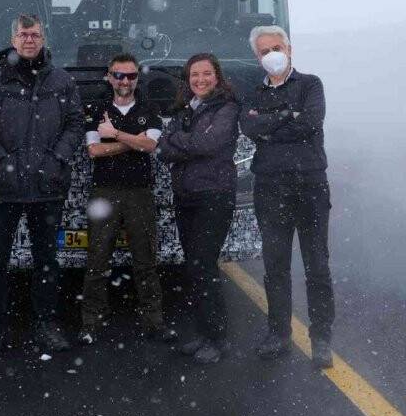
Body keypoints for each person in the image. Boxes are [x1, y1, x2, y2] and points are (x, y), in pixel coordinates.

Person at [0, 14, 85, 355]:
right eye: (23, 34)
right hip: (3, 188)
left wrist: (56, 160)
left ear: (43, 38)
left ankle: (47, 323)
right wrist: (2, 161)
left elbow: (76, 123)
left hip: (47, 186)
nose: (29, 40)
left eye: (35, 34)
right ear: (13, 38)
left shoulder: (62, 81)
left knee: (47, 259)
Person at [239, 25, 335, 369]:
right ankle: (278, 334)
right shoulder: (252, 93)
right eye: (264, 51)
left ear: (290, 49)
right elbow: (249, 128)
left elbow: (311, 122)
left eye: (276, 47)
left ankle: (321, 338)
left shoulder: (311, 84)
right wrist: (285, 116)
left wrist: (270, 124)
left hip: (310, 185)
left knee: (317, 265)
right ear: (257, 57)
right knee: (275, 266)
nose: (272, 55)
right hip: (270, 187)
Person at [79, 53, 176, 344]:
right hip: (104, 193)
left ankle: (154, 321)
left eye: (131, 76)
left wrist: (115, 134)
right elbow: (94, 151)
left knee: (145, 260)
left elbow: (150, 145)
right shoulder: (95, 109)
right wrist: (133, 141)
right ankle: (91, 323)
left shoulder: (150, 109)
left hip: (139, 193)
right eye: (119, 75)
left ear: (137, 78)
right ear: (109, 77)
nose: (125, 81)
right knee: (97, 260)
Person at [156, 53, 240, 364]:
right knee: (193, 268)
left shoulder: (227, 109)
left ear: (217, 77)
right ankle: (204, 334)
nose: (200, 80)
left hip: (214, 196)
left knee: (204, 266)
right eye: (194, 75)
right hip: (187, 196)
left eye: (206, 74)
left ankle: (218, 340)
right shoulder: (185, 111)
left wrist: (178, 140)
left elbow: (209, 144)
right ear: (188, 79)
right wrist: (183, 141)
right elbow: (163, 152)